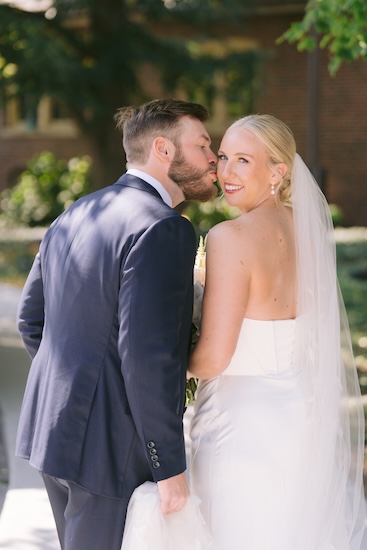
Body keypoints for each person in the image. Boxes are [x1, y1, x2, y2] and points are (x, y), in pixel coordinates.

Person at [15, 98, 218, 550]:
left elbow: (31, 322)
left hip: (53, 436)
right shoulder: (165, 228)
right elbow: (149, 356)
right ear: (164, 150)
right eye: (203, 144)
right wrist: (168, 467)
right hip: (110, 453)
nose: (213, 158)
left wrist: (78, 389)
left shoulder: (76, 212)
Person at [188, 114, 366, 549]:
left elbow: (214, 359)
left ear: (278, 170)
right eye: (224, 157)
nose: (226, 172)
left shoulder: (230, 236)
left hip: (241, 422)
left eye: (244, 160)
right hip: (295, 411)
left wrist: (162, 366)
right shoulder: (303, 225)